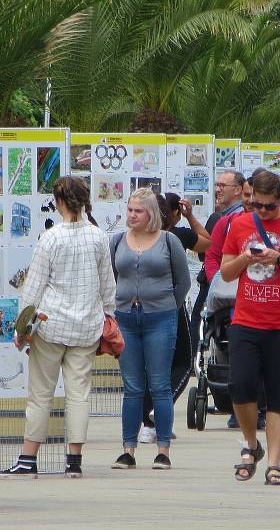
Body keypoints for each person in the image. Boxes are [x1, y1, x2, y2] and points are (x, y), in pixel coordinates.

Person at [0, 177, 116, 479]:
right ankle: (74, 461)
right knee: (79, 394)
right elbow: (108, 285)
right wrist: (107, 317)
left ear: (59, 202)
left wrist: (21, 328)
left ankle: (28, 459)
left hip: (51, 326)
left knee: (41, 395)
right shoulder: (99, 237)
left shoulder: (51, 238)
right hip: (87, 327)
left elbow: (33, 288)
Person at [220, 170, 280, 485]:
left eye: (267, 206)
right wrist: (245, 260)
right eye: (255, 205)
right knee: (240, 386)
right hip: (246, 320)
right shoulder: (239, 224)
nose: (260, 211)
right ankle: (251, 444)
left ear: (279, 200)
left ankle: (274, 463)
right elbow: (225, 272)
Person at [110, 188, 191, 470]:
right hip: (126, 318)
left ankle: (163, 449)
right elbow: (112, 275)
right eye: (130, 210)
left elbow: (183, 282)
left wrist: (167, 304)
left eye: (138, 211)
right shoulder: (118, 240)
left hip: (160, 317)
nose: (132, 215)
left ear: (151, 214)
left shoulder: (168, 241)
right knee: (132, 386)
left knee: (160, 384)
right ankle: (128, 449)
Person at [204, 175, 266, 430]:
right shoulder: (228, 222)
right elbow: (212, 256)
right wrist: (218, 283)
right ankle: (239, 406)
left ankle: (260, 407)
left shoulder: (276, 224)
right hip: (232, 301)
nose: (251, 201)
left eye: (255, 196)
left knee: (262, 358)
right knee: (238, 356)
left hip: (264, 300)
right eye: (247, 196)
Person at [189, 170, 245, 357]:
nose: (217, 190)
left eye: (222, 186)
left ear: (237, 190)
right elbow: (211, 254)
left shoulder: (232, 218)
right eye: (217, 185)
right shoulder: (223, 220)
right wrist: (217, 282)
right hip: (224, 287)